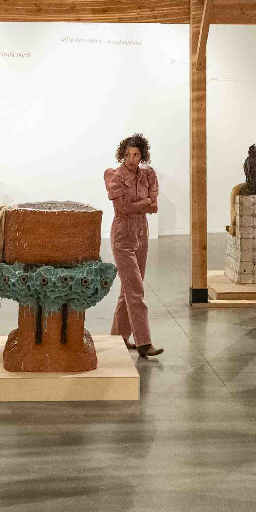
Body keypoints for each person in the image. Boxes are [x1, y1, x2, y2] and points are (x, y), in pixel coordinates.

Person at [103, 133, 164, 359]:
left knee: (128, 288)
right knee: (136, 290)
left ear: (142, 155)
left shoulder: (148, 175)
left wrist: (143, 204)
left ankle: (118, 337)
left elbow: (154, 207)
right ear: (122, 154)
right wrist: (145, 202)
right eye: (127, 154)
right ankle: (144, 342)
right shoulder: (113, 175)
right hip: (122, 234)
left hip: (142, 233)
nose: (131, 158)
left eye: (136, 154)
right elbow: (122, 209)